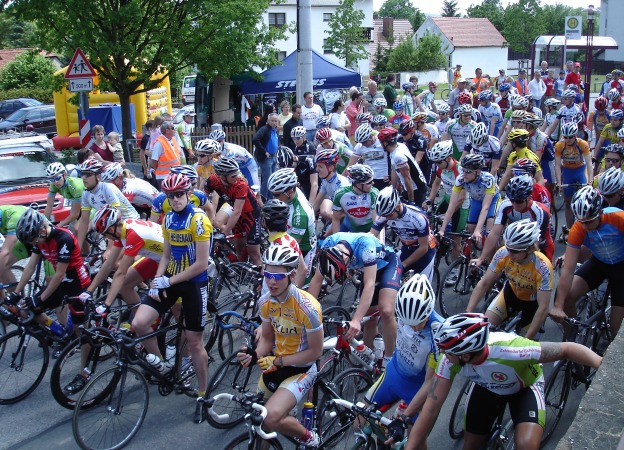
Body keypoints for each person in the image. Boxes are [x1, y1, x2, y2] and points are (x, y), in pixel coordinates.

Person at [405, 313, 602, 450]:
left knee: (526, 446)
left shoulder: (512, 349)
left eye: (449, 351)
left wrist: (602, 365)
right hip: (485, 388)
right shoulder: (449, 360)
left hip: (524, 389)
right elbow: (431, 409)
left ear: (465, 355)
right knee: (470, 445)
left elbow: (567, 349)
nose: (445, 356)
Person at [135, 172, 212, 423]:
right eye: (171, 195)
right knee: (139, 323)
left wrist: (169, 280)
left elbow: (201, 264)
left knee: (194, 341)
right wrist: (158, 281)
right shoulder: (168, 219)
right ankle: (163, 366)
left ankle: (203, 393)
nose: (176, 199)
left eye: (179, 194)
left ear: (188, 194)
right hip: (171, 278)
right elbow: (165, 256)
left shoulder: (198, 220)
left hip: (193, 283)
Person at [237, 245, 323, 447]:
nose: (271, 281)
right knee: (261, 424)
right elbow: (267, 339)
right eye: (267, 274)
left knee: (272, 417)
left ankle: (310, 438)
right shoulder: (265, 302)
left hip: (301, 369)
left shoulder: (308, 308)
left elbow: (316, 352)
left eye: (278, 276)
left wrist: (277, 360)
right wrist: (254, 354)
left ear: (292, 276)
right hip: (276, 365)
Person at [9, 209, 90, 379]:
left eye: (33, 239)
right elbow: (30, 267)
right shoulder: (40, 240)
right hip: (61, 284)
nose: (33, 243)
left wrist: (39, 298)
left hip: (77, 285)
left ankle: (85, 371)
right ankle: (59, 333)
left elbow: (60, 273)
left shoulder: (64, 238)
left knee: (80, 330)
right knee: (28, 310)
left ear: (42, 229)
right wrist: (16, 293)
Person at [364, 273, 443, 428]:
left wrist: (404, 418)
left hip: (418, 388)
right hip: (393, 374)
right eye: (407, 322)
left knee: (415, 443)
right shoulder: (400, 309)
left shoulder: (439, 333)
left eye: (418, 324)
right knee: (359, 421)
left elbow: (430, 382)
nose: (412, 328)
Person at [309, 232, 401, 365]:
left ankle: (390, 359)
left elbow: (370, 284)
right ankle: (369, 361)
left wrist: (356, 320)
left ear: (346, 261)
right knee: (370, 319)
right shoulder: (328, 244)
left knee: (386, 310)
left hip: (388, 265)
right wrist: (307, 313)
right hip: (366, 267)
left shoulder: (366, 246)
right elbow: (317, 280)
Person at [550, 186, 624, 338]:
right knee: (565, 297)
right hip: (599, 263)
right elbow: (569, 270)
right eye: (581, 221)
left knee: (616, 330)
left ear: (600, 212)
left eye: (589, 221)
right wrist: (558, 306)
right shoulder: (579, 228)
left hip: (621, 267)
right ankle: (572, 340)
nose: (585, 226)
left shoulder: (618, 218)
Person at [468, 219, 552, 339]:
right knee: (485, 332)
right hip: (510, 294)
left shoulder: (543, 267)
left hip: (533, 306)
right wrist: (469, 312)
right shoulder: (503, 253)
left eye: (515, 251)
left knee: (524, 350)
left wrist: (526, 341)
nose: (510, 253)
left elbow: (543, 308)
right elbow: (484, 283)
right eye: (508, 248)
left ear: (529, 248)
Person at [477, 174, 554, 264]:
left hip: (541, 245)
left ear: (529, 198)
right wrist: (481, 259)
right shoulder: (505, 205)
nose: (514, 204)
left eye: (518, 201)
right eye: (512, 200)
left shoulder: (540, 211)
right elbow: (495, 233)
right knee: (502, 247)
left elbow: (535, 243)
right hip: (516, 244)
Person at [204, 158, 262, 266]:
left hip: (251, 215)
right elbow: (203, 198)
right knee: (239, 249)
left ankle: (262, 280)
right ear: (222, 176)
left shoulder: (241, 185)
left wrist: (224, 233)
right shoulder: (213, 180)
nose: (237, 177)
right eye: (233, 175)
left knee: (254, 254)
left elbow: (236, 212)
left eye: (237, 173)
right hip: (237, 214)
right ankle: (242, 273)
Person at [372, 187, 437, 279]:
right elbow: (370, 237)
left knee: (422, 287)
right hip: (407, 249)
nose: (386, 218)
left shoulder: (418, 217)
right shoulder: (385, 214)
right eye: (384, 216)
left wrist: (403, 265)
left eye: (389, 215)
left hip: (425, 252)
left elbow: (423, 248)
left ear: (398, 206)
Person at [76, 159, 139, 251]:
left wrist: (109, 249)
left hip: (130, 224)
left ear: (98, 176)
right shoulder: (86, 194)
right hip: (115, 230)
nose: (84, 177)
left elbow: (116, 219)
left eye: (88, 174)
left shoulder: (107, 188)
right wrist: (77, 248)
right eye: (83, 174)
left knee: (114, 262)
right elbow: (84, 221)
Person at [441, 153, 500, 245]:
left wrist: (478, 230)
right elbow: (452, 205)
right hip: (476, 200)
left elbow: (485, 208)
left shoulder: (488, 179)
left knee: (489, 231)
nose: (464, 174)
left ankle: (489, 258)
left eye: (468, 172)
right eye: (463, 170)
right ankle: (472, 256)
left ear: (478, 172)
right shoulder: (460, 179)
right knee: (470, 229)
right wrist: (442, 229)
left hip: (492, 201)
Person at [268, 168, 316, 270]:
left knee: (300, 284)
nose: (273, 198)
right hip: (290, 232)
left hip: (304, 249)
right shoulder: (293, 192)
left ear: (289, 191)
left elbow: (291, 247)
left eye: (276, 195)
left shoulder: (300, 215)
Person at [554, 121, 593, 229]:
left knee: (585, 199)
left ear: (575, 135)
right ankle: (569, 229)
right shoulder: (559, 146)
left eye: (570, 137)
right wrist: (559, 182)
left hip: (580, 170)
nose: (568, 140)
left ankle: (586, 224)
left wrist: (590, 180)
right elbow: (557, 165)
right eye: (565, 137)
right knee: (568, 203)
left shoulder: (583, 144)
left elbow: (589, 163)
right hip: (567, 172)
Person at [261, 201, 307, 287]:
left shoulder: (276, 247)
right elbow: (303, 269)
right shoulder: (291, 240)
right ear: (286, 222)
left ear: (264, 222)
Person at [378, 127, 428, 206]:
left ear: (384, 143)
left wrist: (411, 200)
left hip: (416, 189)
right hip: (410, 188)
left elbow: (407, 179)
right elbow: (394, 169)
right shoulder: (398, 147)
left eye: (381, 143)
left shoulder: (398, 156)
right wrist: (392, 189)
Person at [331, 164, 378, 235]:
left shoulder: (374, 193)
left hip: (371, 229)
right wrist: (336, 239)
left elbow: (377, 222)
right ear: (358, 184)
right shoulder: (340, 194)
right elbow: (335, 220)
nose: (373, 183)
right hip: (352, 228)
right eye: (369, 182)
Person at [312, 149, 351, 227]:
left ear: (331, 168)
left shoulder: (342, 185)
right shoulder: (326, 181)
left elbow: (345, 214)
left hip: (349, 219)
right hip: (339, 215)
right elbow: (316, 205)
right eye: (317, 166)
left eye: (320, 166)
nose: (317, 169)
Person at [348, 124, 389, 191]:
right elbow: (350, 165)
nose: (363, 145)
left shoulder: (382, 140)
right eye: (361, 143)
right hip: (369, 179)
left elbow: (393, 159)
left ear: (371, 136)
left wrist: (391, 175)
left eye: (364, 142)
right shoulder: (360, 145)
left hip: (385, 177)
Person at [44, 162, 84, 228]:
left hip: (91, 204)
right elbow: (49, 207)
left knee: (77, 228)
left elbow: (75, 214)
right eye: (52, 179)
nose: (55, 182)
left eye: (57, 178)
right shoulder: (53, 184)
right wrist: (44, 225)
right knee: (72, 230)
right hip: (78, 204)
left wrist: (59, 225)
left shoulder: (75, 186)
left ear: (64, 175)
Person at [287, 127, 319, 202]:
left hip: (311, 173)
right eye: (293, 138)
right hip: (302, 177)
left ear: (304, 137)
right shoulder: (296, 148)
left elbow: (311, 158)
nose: (296, 141)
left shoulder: (310, 146)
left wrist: (299, 158)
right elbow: (295, 164)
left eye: (298, 138)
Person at [253, 112, 279, 200]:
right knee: (267, 180)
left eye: (276, 121)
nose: (274, 123)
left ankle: (270, 198)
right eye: (272, 121)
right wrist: (264, 152)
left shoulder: (275, 130)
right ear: (268, 121)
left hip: (273, 157)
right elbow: (255, 139)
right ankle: (263, 200)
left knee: (272, 180)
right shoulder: (264, 129)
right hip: (266, 158)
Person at [151, 122, 182, 189]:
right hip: (163, 176)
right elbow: (154, 160)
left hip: (174, 174)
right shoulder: (159, 143)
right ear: (167, 131)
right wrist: (157, 171)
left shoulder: (173, 139)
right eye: (173, 128)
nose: (175, 130)